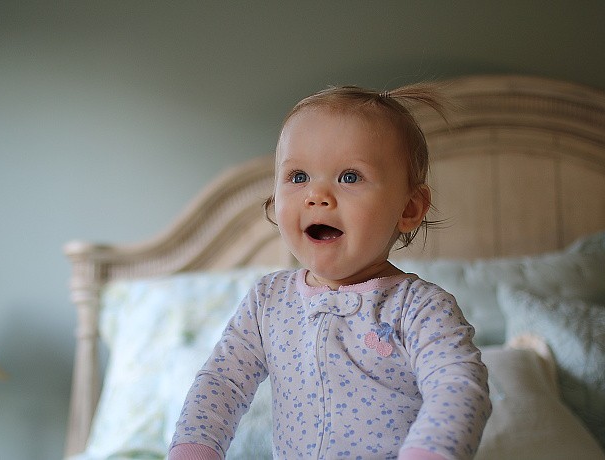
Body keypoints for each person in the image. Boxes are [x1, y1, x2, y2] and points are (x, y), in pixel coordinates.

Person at [168, 84, 491, 460]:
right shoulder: (268, 302)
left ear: (409, 208)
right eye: (298, 177)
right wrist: (193, 451)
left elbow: (458, 386)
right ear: (275, 199)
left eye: (350, 177)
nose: (316, 196)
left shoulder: (420, 308)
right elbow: (222, 383)